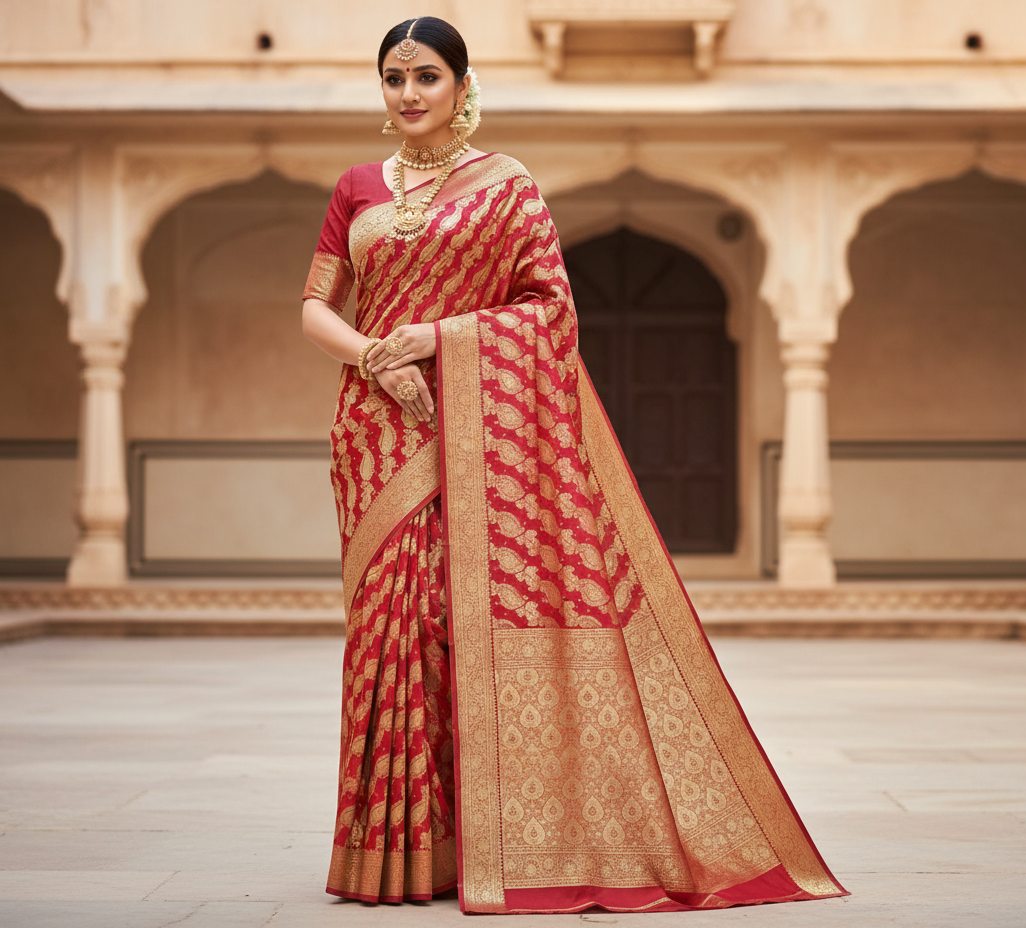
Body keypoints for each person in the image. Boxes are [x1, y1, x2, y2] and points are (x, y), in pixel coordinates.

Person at [302, 16, 846, 915]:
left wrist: (437, 338)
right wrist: (374, 359)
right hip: (376, 429)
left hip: (476, 427)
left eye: (426, 77)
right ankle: (395, 851)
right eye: (392, 78)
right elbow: (314, 307)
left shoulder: (507, 187)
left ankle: (489, 840)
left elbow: (549, 312)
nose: (407, 95)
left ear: (461, 85)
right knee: (388, 629)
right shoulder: (355, 187)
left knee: (451, 618)